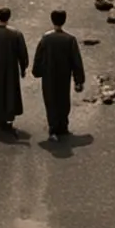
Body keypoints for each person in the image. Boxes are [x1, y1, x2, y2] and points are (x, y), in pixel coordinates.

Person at [32, 10, 86, 140]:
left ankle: (53, 128)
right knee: (63, 100)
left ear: (52, 20)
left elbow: (38, 57)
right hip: (64, 75)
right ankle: (63, 126)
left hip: (49, 75)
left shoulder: (46, 38)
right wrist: (79, 80)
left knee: (50, 100)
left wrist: (37, 71)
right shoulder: (70, 39)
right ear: (64, 20)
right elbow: (76, 61)